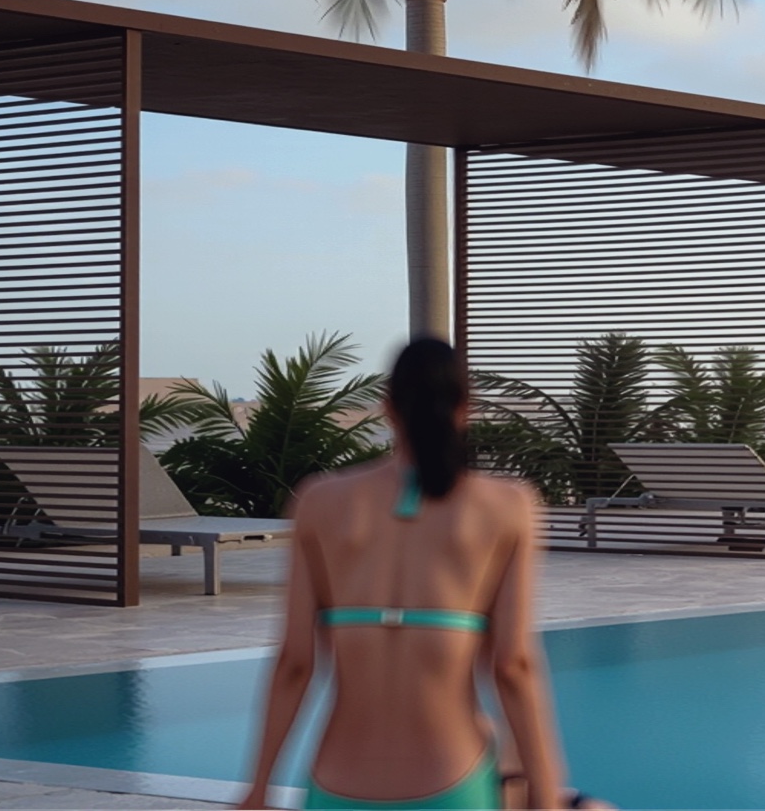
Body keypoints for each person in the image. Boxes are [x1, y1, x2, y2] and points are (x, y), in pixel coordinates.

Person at [242, 336, 573, 810]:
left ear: (388, 408)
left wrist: (258, 789)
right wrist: (546, 795)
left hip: (337, 781)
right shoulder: (506, 506)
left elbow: (295, 662)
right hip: (452, 779)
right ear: (465, 408)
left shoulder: (319, 501)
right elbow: (512, 665)